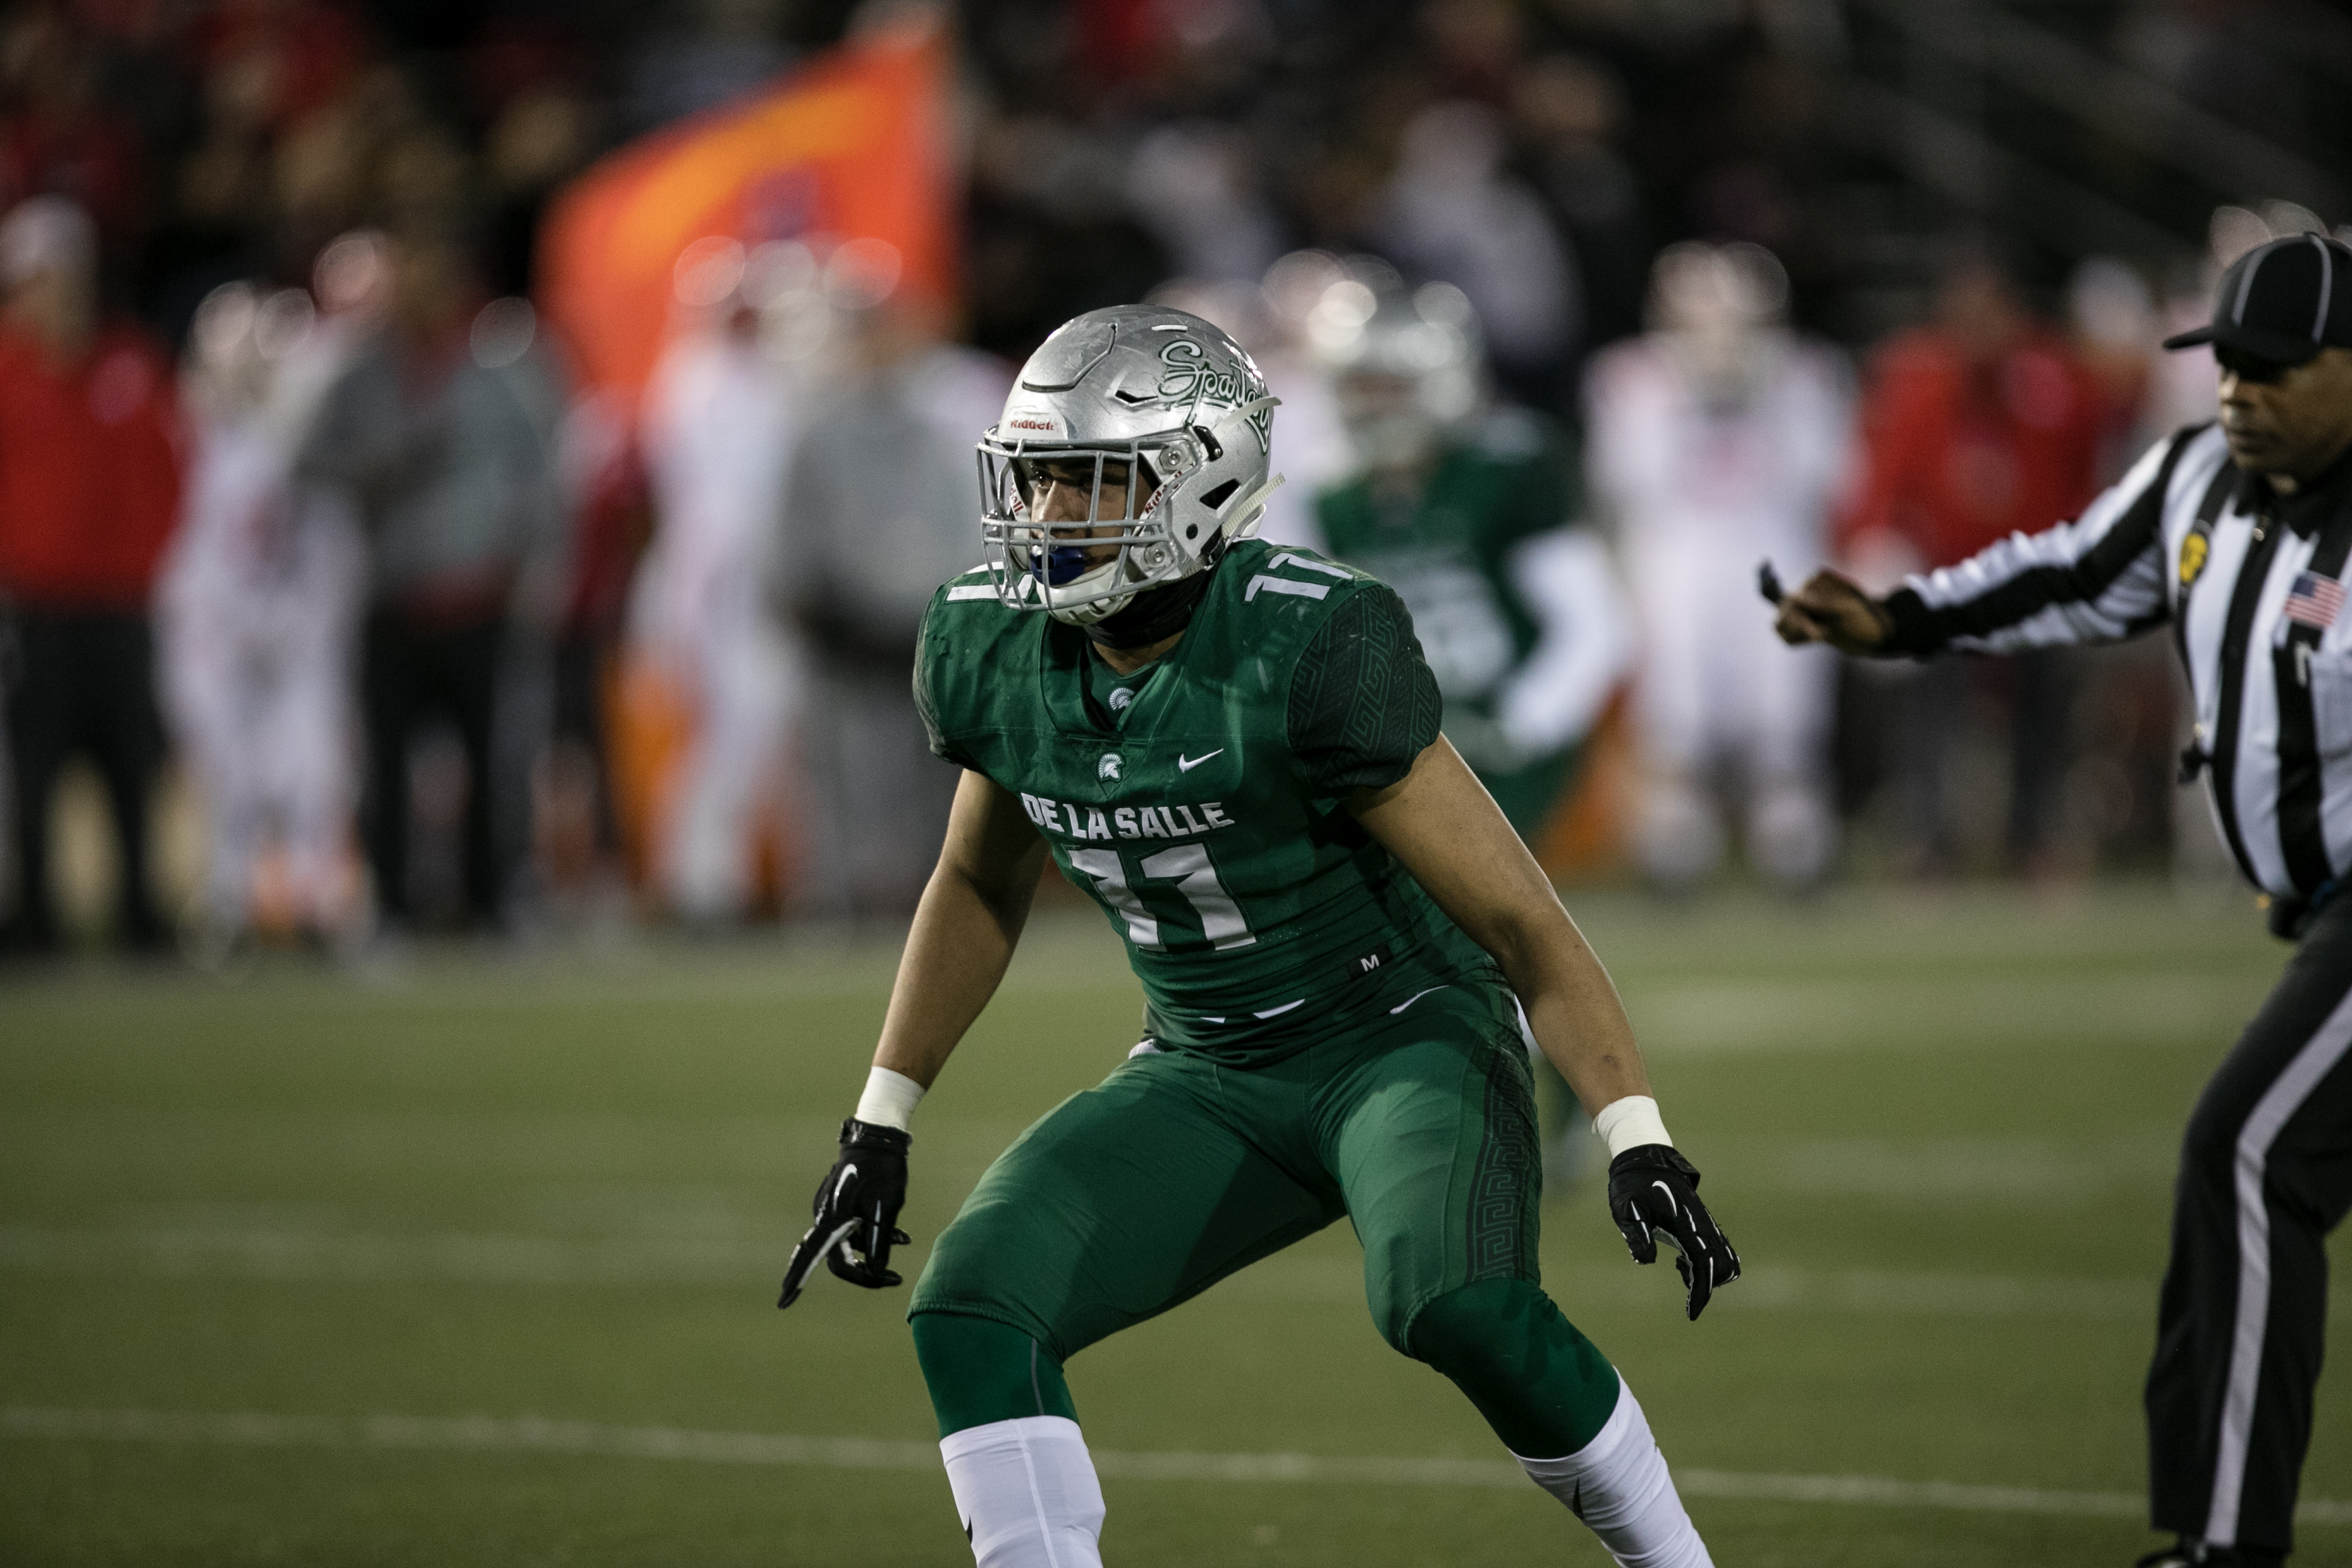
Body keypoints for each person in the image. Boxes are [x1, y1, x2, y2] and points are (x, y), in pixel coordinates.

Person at [777, 305, 1739, 1568]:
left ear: (1203, 478)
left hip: (1401, 1038)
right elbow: (973, 878)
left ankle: (1674, 1560)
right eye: (1038, 477)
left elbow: (1519, 920)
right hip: (1204, 1064)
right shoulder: (992, 641)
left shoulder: (1312, 638)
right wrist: (880, 1119)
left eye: (1092, 479)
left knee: (1454, 1307)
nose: (1050, 513)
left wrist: (1635, 1133)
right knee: (971, 1303)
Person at [1773, 233, 2352, 1568]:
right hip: (2320, 909)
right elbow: (2075, 570)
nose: (2238, 392)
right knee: (2244, 1166)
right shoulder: (2202, 474)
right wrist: (1900, 619)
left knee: (2249, 1152)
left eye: (2276, 368)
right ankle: (2214, 1526)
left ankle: (2224, 1544)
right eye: (2227, 366)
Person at [295, 221, 566, 933]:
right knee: (385, 764)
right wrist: (376, 466)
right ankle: (390, 905)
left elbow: (540, 475)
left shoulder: (499, 368)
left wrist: (527, 565)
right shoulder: (359, 375)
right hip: (393, 596)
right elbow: (305, 463)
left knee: (493, 761)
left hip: (479, 594)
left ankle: (491, 900)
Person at [1586, 241, 1852, 891]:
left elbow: (1826, 475)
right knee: (1676, 715)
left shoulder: (1805, 373)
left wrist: (1759, 399)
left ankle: (1794, 851)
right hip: (1678, 549)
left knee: (1784, 712)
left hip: (1773, 544)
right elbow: (1629, 480)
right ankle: (1676, 855)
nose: (1719, 333)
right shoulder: (1632, 376)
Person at [1839, 244, 2105, 875]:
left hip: (2028, 572)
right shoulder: (1915, 376)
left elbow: (2080, 477)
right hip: (1942, 574)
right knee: (1927, 697)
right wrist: (1872, 551)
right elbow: (1881, 480)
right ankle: (1926, 842)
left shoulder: (2054, 376)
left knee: (2045, 697)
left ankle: (2032, 838)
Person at [0, 195, 182, 953]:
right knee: (33, 772)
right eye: (43, 276)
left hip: (121, 601)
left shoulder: (130, 361)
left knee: (134, 766)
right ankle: (34, 918)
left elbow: (172, 472)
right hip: (35, 605)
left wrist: (146, 563)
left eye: (68, 273)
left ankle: (143, 913)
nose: (59, 290)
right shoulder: (7, 374)